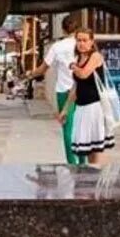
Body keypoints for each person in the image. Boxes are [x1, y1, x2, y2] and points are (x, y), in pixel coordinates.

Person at [28, 14, 82, 164]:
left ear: (62, 29)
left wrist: (29, 75)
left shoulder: (57, 47)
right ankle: (83, 162)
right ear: (77, 28)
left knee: (67, 128)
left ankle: (72, 162)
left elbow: (42, 69)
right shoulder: (82, 44)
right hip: (82, 91)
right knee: (81, 127)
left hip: (63, 91)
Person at [57, 28, 114, 166]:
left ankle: (96, 175)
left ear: (91, 42)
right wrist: (65, 110)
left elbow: (84, 74)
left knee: (95, 147)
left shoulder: (95, 56)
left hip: (94, 106)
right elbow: (75, 88)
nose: (81, 43)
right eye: (78, 40)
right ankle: (91, 177)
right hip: (81, 107)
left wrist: (73, 66)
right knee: (85, 147)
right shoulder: (78, 59)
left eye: (84, 40)